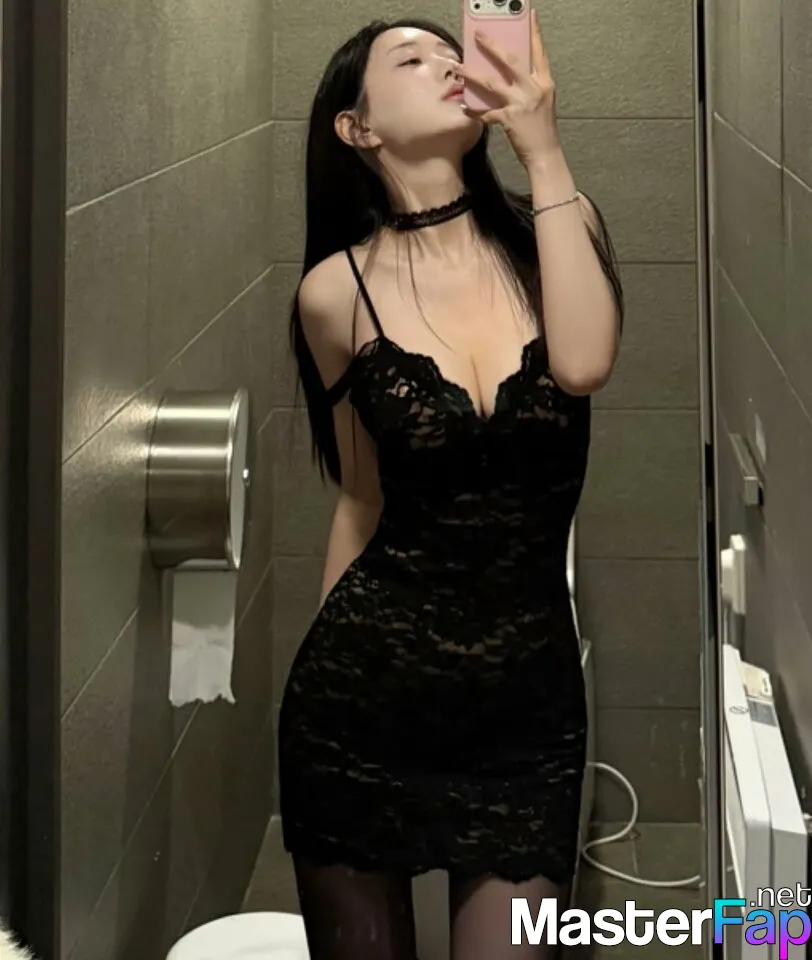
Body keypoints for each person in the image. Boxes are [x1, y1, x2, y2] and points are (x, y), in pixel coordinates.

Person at [278, 8, 623, 959]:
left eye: (449, 47)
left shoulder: (562, 228)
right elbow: (361, 496)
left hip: (525, 718)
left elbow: (583, 364)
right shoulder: (334, 293)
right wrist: (323, 651)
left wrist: (541, 146)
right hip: (360, 704)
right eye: (410, 57)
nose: (445, 60)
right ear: (357, 128)